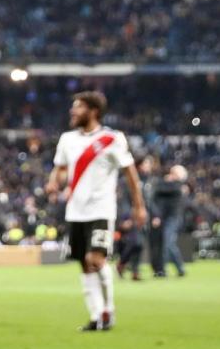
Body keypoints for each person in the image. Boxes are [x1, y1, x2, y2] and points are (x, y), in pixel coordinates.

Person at [47, 91, 146, 331]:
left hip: (101, 210)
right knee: (83, 262)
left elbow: (130, 174)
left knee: (96, 259)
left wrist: (139, 206)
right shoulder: (67, 139)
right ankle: (95, 316)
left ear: (93, 112)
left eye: (78, 107)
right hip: (75, 212)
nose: (73, 111)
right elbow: (60, 168)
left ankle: (107, 311)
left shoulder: (112, 139)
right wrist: (54, 182)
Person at [153, 164, 188, 277]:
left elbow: (160, 188)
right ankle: (178, 268)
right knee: (168, 243)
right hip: (164, 217)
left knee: (168, 242)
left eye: (173, 173)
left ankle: (164, 270)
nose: (170, 175)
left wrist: (166, 181)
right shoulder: (171, 186)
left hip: (173, 218)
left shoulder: (179, 186)